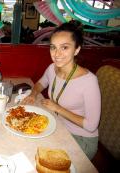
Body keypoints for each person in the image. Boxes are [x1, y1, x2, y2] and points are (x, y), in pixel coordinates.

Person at [22, 20, 101, 160]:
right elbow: (40, 83)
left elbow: (91, 125)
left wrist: (57, 108)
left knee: (38, 157)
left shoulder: (89, 81)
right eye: (53, 47)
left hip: (81, 139)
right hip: (58, 126)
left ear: (77, 49)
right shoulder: (52, 68)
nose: (57, 54)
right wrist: (33, 94)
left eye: (64, 47)